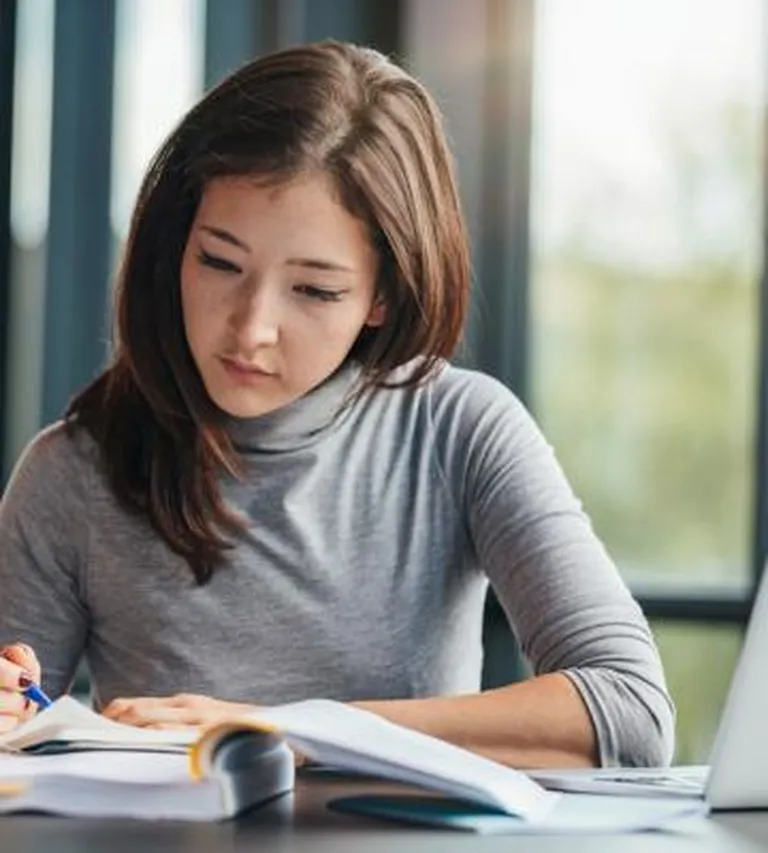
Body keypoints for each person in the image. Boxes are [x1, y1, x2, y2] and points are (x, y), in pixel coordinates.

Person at [0, 41, 674, 769]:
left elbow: (630, 712)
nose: (251, 329)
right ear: (174, 248)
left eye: (315, 290)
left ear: (383, 296)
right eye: (220, 262)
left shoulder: (459, 430)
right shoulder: (75, 471)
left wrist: (286, 728)